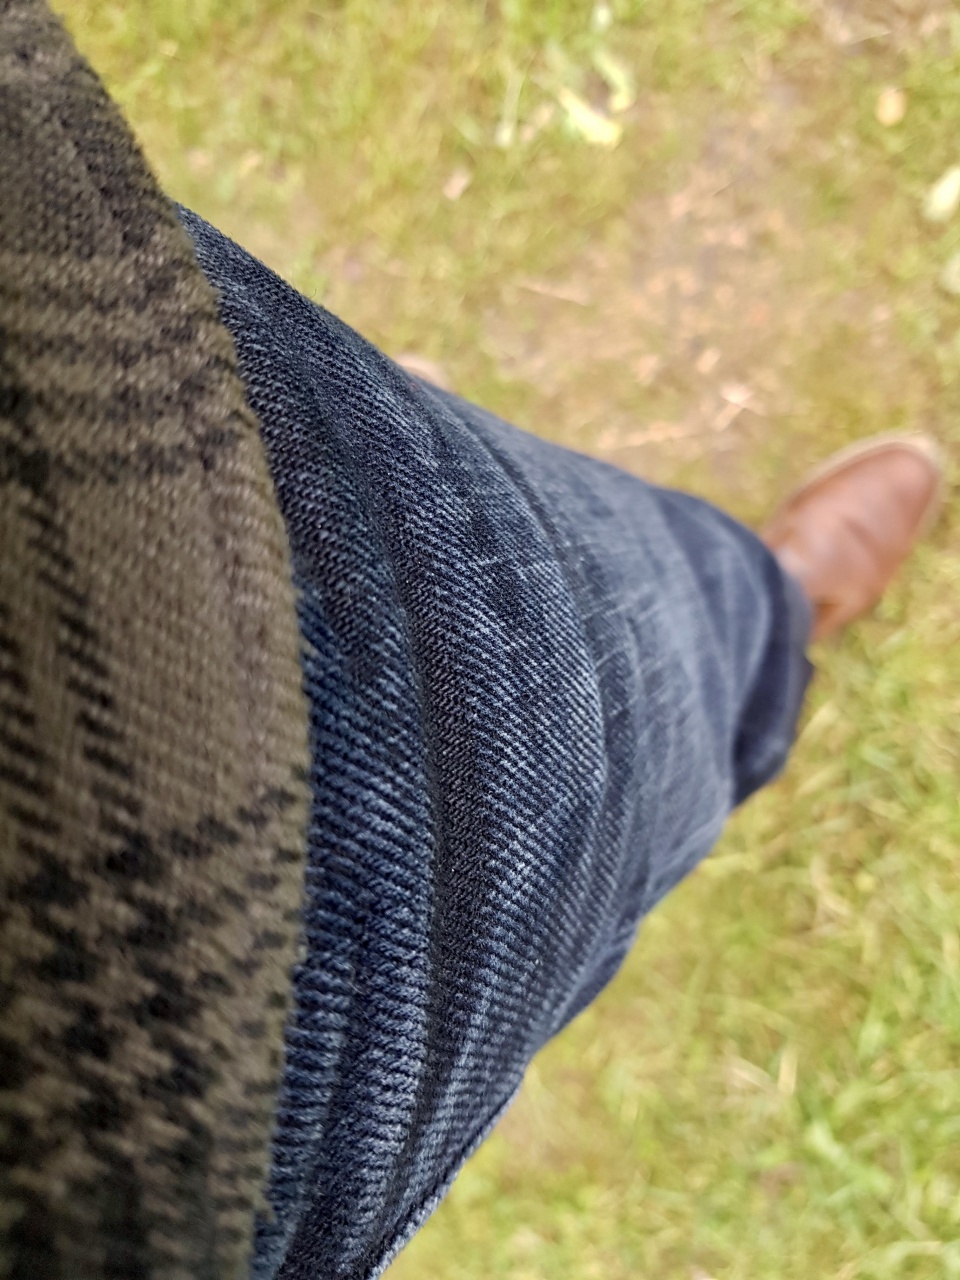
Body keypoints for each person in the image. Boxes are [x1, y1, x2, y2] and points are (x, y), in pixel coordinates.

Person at [0, 3, 943, 1279]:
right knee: (604, 684)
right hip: (134, 1056)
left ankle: (394, 436)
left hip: (55, 387)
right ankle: (763, 618)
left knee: (326, 444)